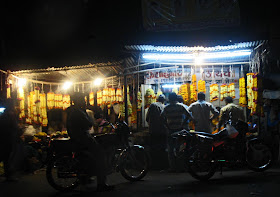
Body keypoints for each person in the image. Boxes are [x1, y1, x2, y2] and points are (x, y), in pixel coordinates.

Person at [66, 92, 114, 191]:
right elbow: (88, 124)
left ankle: (86, 177)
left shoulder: (73, 110)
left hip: (78, 137)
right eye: (83, 100)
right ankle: (101, 183)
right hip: (82, 137)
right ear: (79, 101)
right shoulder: (78, 111)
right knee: (100, 154)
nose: (84, 101)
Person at [161, 92, 192, 172]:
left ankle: (172, 167)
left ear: (169, 98)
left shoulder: (166, 107)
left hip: (171, 130)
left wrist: (167, 126)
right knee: (180, 149)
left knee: (171, 150)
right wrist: (183, 123)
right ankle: (181, 166)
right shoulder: (181, 106)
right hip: (180, 130)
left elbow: (161, 118)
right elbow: (189, 116)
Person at [0, 99, 24, 181]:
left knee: (5, 157)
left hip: (3, 138)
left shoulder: (3, 115)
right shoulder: (10, 115)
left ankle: (8, 174)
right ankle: (8, 175)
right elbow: (15, 127)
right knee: (7, 157)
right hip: (8, 139)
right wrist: (20, 130)